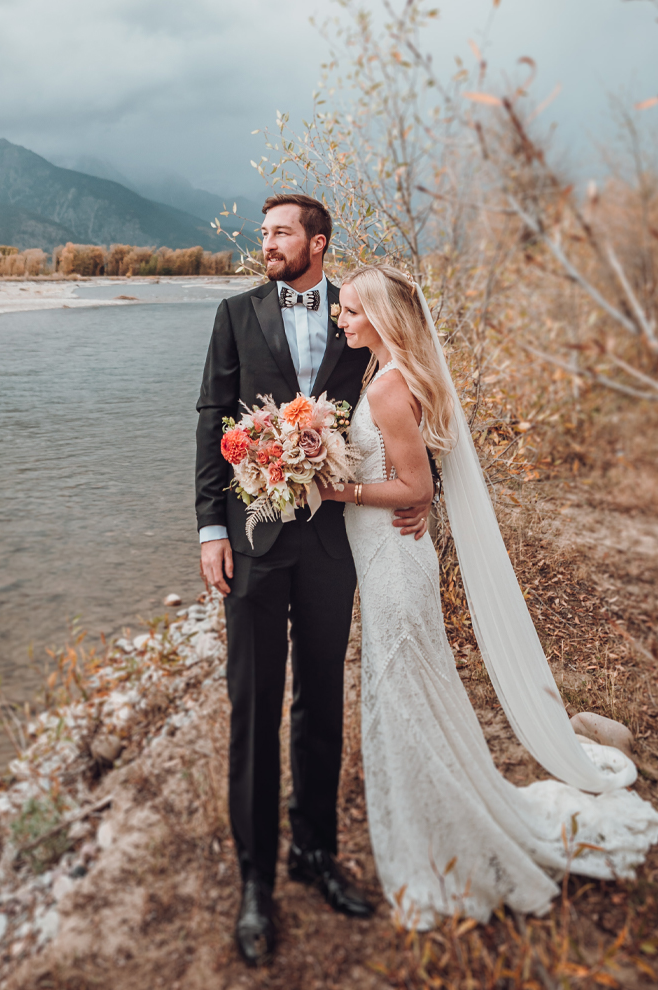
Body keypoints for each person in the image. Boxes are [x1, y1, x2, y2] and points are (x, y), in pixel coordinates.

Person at [319, 264, 658, 927]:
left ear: (382, 317)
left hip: (393, 565)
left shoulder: (389, 389)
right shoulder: (387, 377)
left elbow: (415, 490)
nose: (342, 318)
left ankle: (450, 836)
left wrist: (340, 490)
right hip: (388, 556)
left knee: (406, 699)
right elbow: (409, 473)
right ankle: (441, 812)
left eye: (352, 310)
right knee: (410, 696)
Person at [195, 199, 430, 965]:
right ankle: (257, 880)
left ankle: (316, 852)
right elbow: (211, 421)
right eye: (263, 232)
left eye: (280, 232)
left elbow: (416, 395)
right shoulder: (235, 314)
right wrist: (209, 531)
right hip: (256, 547)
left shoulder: (358, 315)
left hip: (335, 546)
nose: (266, 243)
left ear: (316, 242)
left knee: (321, 701)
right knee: (255, 708)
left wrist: (424, 493)